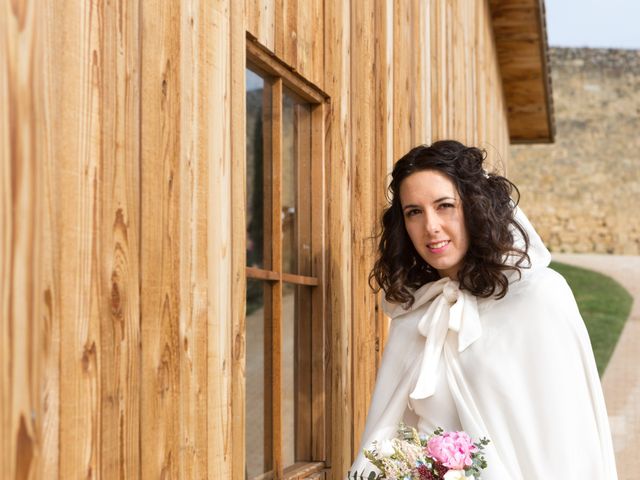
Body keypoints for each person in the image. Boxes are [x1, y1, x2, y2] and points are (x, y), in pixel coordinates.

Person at [347, 140, 618, 479]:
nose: (430, 226)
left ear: (474, 207)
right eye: (413, 212)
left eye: (445, 205)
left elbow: (570, 444)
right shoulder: (415, 317)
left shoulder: (540, 297)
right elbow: (389, 441)